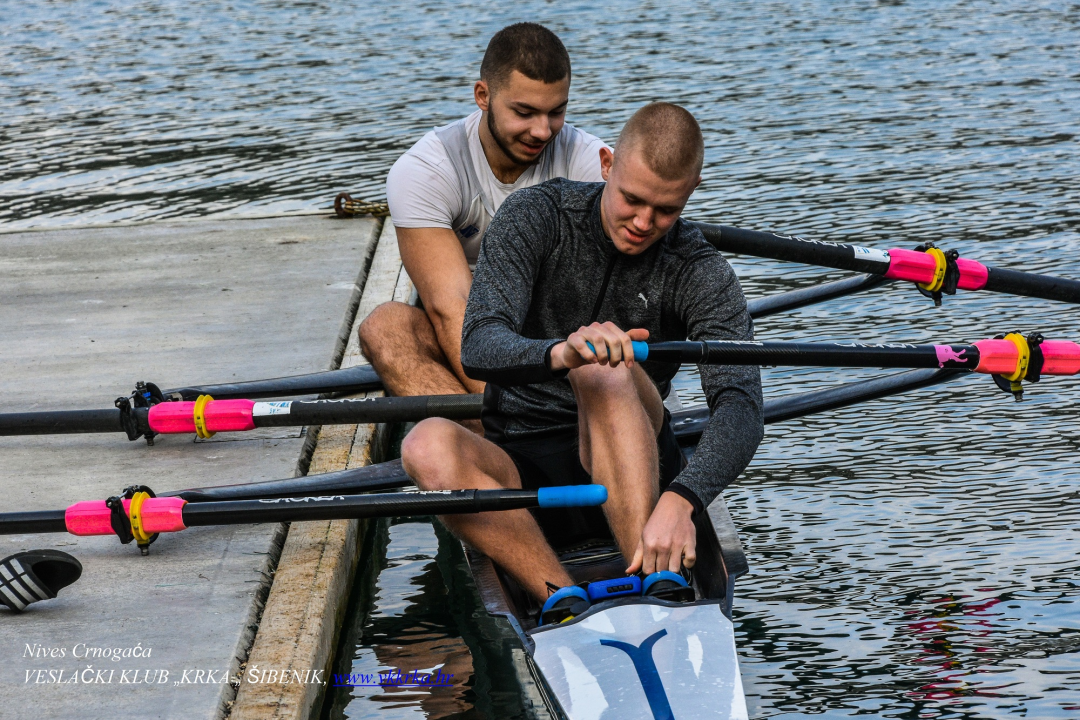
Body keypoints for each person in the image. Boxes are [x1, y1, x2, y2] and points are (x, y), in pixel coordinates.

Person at [400, 103, 764, 623]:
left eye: (665, 210)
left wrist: (684, 497)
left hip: (634, 448)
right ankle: (557, 596)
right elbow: (478, 344)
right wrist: (560, 353)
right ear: (607, 164)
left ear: (692, 189)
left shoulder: (701, 271)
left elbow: (742, 408)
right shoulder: (535, 216)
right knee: (425, 444)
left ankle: (651, 580)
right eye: (632, 200)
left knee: (602, 368)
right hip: (522, 463)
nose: (643, 223)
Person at [359, 23, 608, 431]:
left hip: (556, 337)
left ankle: (506, 448)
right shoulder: (426, 170)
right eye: (524, 113)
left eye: (556, 112)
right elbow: (450, 307)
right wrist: (515, 413)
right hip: (471, 335)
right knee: (385, 328)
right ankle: (504, 441)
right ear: (483, 97)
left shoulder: (590, 163)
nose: (542, 131)